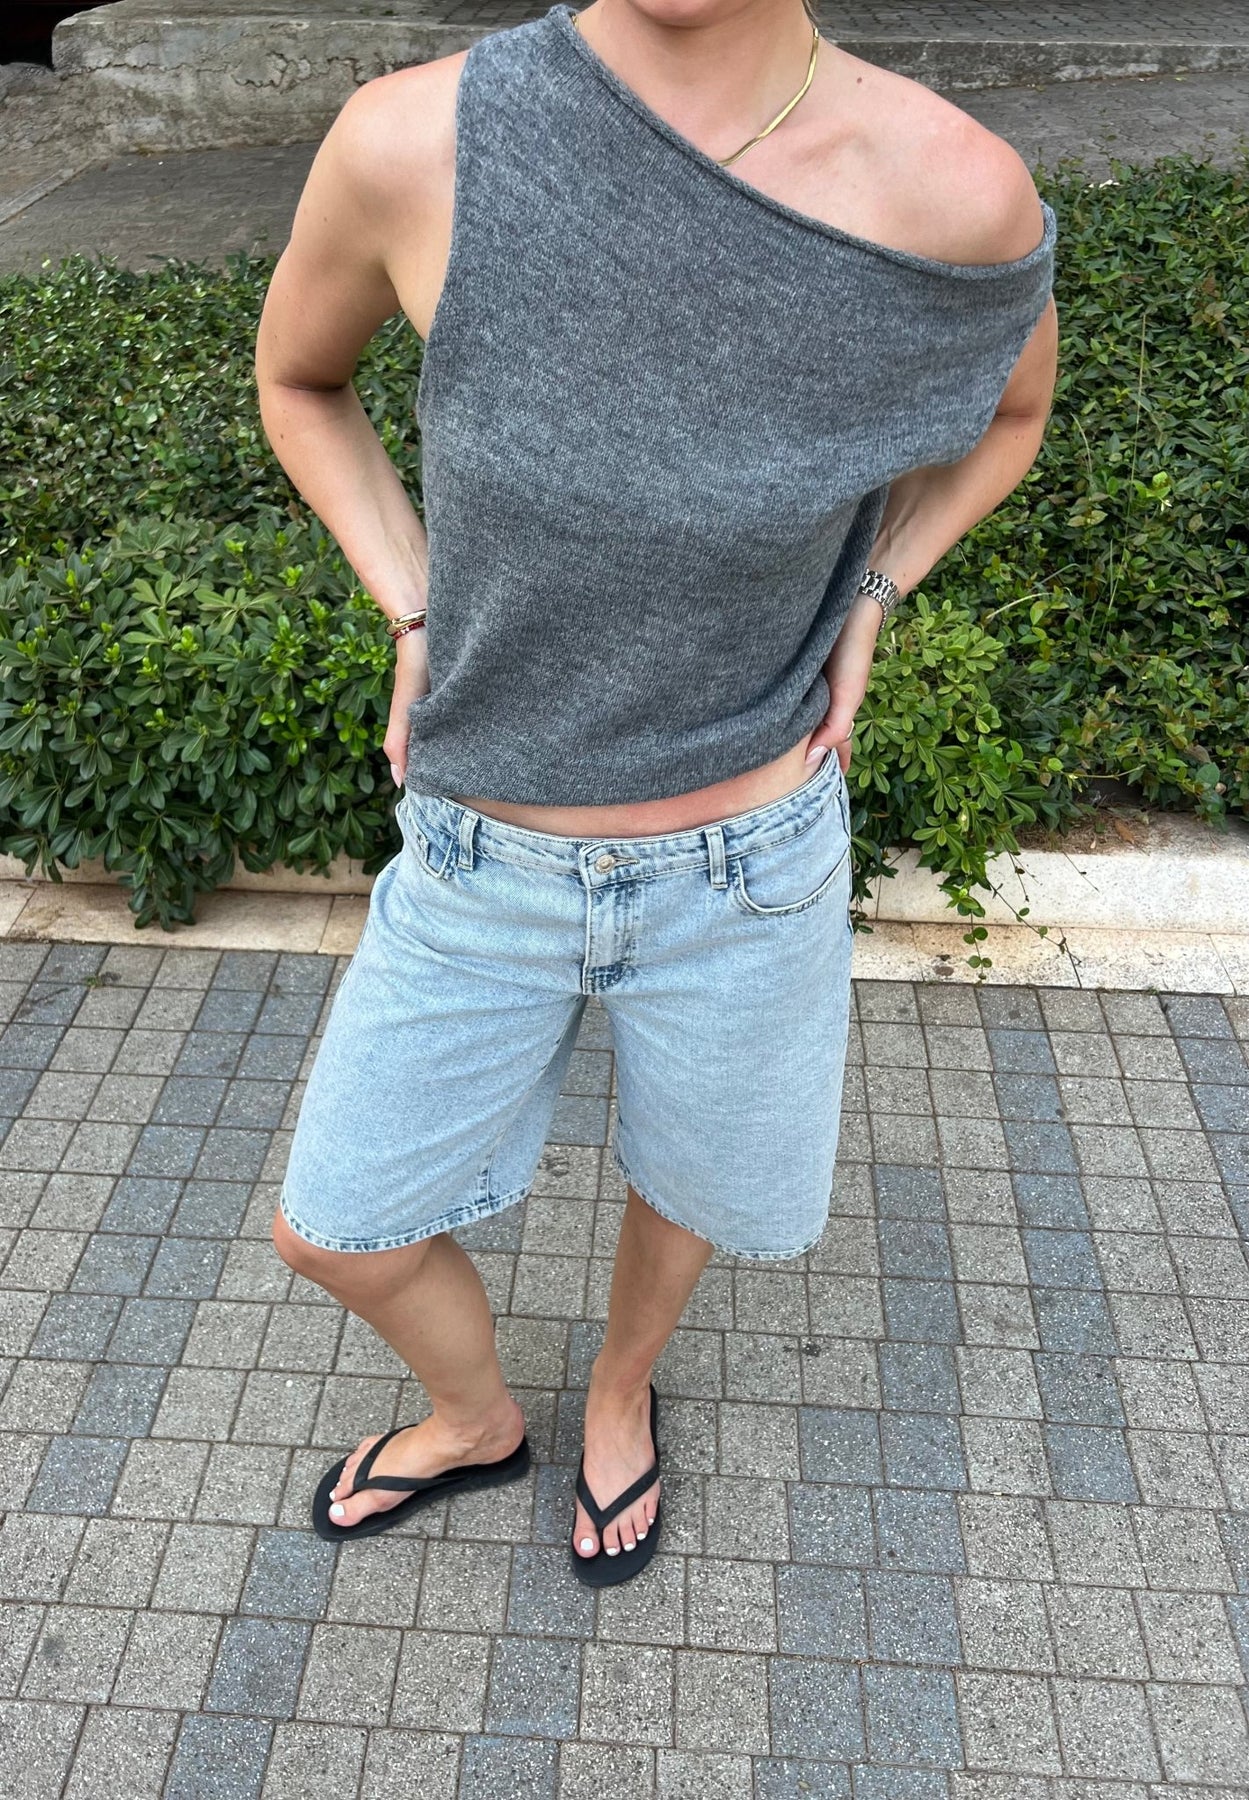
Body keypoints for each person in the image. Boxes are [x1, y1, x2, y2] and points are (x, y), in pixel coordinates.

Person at [255, 0, 1057, 1586]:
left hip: (749, 863)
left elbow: (1011, 417)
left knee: (687, 1183)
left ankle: (621, 1392)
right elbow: (300, 380)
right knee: (333, 1224)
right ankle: (475, 1417)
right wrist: (410, 603)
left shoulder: (950, 188)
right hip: (479, 854)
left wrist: (875, 589)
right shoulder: (416, 140)